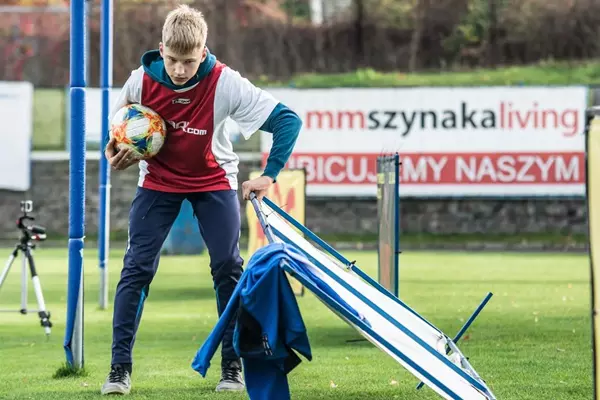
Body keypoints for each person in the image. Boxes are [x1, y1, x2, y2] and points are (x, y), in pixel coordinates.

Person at [100, 4, 302, 395]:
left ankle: (232, 366)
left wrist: (269, 174)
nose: (179, 70)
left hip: (213, 180)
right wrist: (115, 153)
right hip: (158, 182)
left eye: (189, 62)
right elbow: (117, 132)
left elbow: (287, 120)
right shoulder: (139, 81)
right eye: (173, 60)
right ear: (161, 49)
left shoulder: (225, 82)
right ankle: (119, 369)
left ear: (204, 51)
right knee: (136, 267)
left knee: (228, 266)